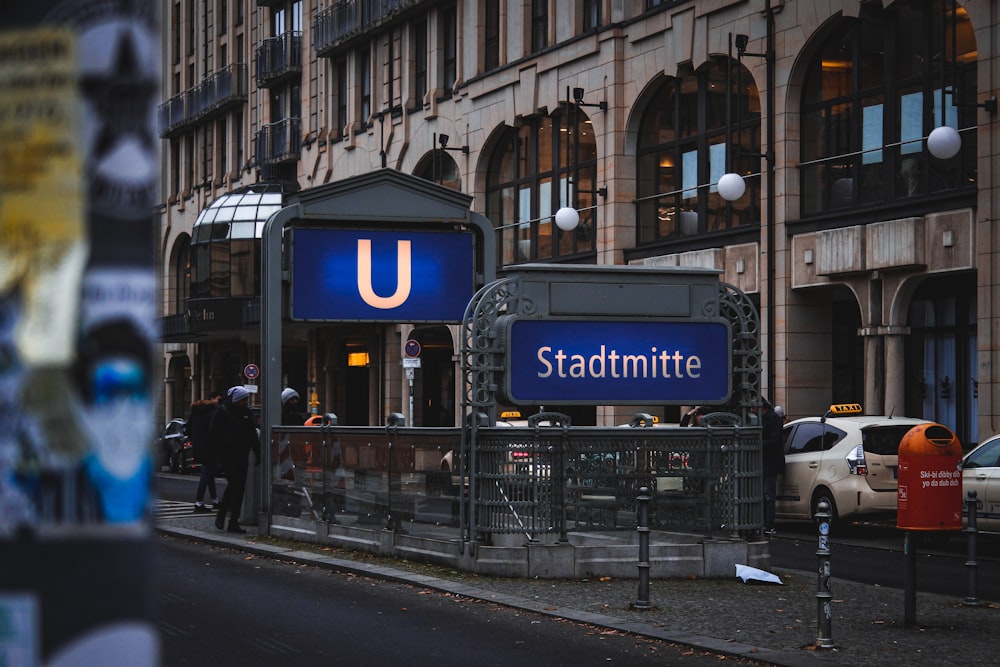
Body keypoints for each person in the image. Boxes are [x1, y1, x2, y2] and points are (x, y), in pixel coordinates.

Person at [210, 386, 260, 533]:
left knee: (239, 488)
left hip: (242, 454)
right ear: (236, 399)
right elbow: (215, 432)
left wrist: (257, 452)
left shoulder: (246, 413)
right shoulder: (223, 411)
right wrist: (226, 446)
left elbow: (252, 434)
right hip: (228, 455)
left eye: (246, 400)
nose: (245, 402)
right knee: (234, 484)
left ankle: (233, 521)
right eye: (243, 399)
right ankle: (222, 514)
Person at [188, 391, 223, 512]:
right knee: (206, 474)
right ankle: (198, 503)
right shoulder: (212, 412)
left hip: (200, 447)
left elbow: (188, 428)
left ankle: (215, 500)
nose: (220, 403)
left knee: (209, 474)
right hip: (210, 447)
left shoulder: (196, 411)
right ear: (212, 399)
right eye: (219, 400)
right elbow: (215, 430)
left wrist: (196, 441)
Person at [760, 400, 785, 536]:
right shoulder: (763, 418)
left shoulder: (773, 419)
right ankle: (764, 524)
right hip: (764, 462)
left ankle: (769, 525)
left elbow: (774, 441)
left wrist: (759, 443)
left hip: (770, 463)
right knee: (764, 495)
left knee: (768, 495)